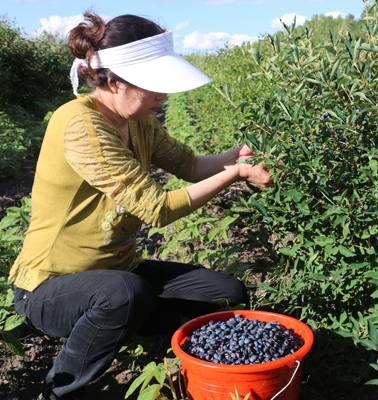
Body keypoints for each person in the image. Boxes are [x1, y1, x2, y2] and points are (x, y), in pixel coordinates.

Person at [9, 11, 273, 400]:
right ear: (114, 81)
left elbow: (193, 166)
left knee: (225, 294)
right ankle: (56, 392)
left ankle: (145, 339)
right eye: (155, 87)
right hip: (49, 287)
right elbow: (156, 209)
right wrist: (234, 176)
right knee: (124, 294)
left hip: (118, 269)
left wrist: (239, 155)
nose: (163, 97)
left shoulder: (137, 122)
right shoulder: (81, 125)